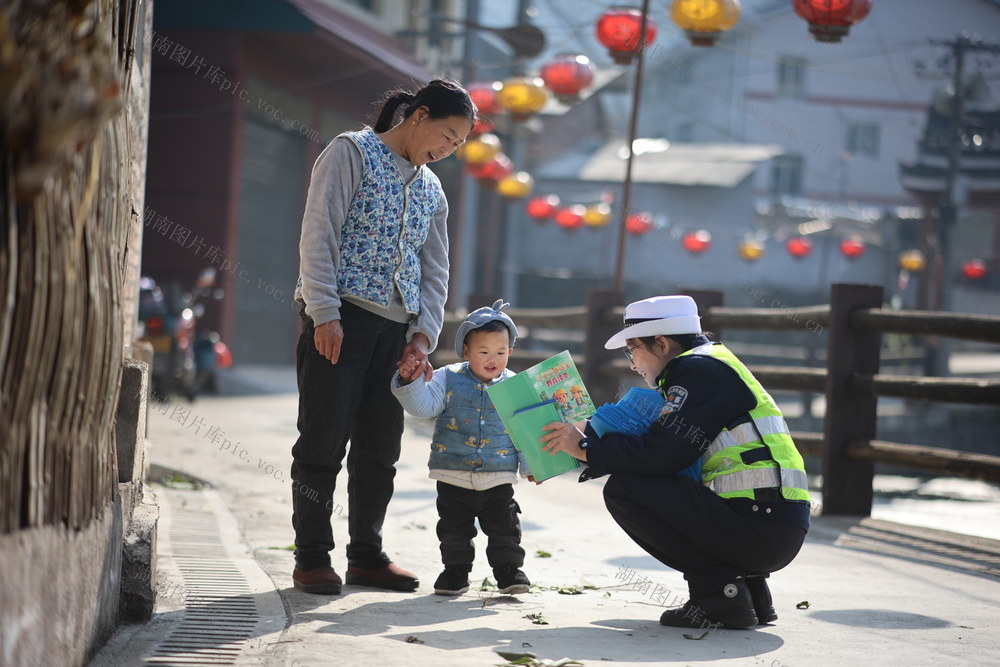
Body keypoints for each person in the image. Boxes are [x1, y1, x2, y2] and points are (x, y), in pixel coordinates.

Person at [289, 79, 476, 595]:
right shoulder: (350, 153)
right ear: (419, 115)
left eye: (459, 144)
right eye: (447, 135)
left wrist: (423, 337)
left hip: (397, 334)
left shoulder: (432, 188)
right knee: (322, 442)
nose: (449, 149)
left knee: (379, 450)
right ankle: (311, 557)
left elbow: (435, 268)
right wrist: (324, 312)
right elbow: (319, 232)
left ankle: (366, 556)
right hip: (342, 320)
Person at [540, 295, 810, 629]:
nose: (633, 364)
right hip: (771, 523)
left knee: (626, 489)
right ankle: (749, 591)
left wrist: (586, 449)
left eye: (633, 350)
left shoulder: (697, 371)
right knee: (639, 479)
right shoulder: (713, 363)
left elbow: (662, 455)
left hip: (761, 527)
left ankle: (720, 594)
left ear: (662, 343)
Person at [391, 300, 533, 596]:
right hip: (452, 472)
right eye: (483, 352)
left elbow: (523, 431)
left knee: (505, 527)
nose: (493, 359)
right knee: (453, 529)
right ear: (465, 351)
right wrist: (409, 381)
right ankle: (455, 572)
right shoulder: (448, 377)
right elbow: (424, 408)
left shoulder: (515, 386)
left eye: (501, 352)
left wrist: (532, 466)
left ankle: (508, 571)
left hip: (498, 475)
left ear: (510, 351)